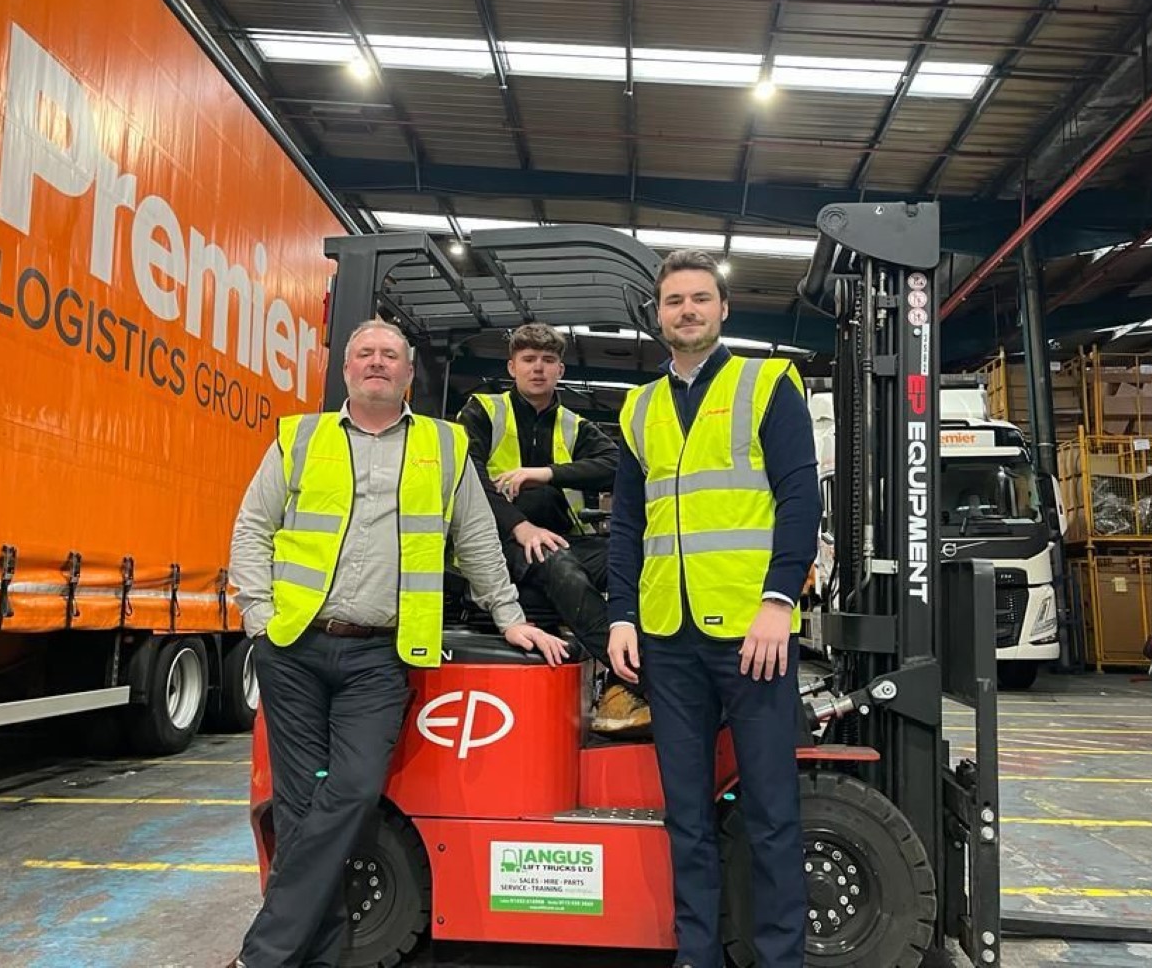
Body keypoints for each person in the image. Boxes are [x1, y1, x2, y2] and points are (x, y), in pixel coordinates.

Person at [227, 319, 569, 968]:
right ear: (348, 370)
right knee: (299, 812)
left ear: (409, 374)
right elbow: (252, 528)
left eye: (390, 355)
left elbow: (475, 539)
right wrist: (259, 616)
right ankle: (317, 959)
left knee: (353, 792)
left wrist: (510, 616)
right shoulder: (301, 438)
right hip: (294, 648)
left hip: (380, 656)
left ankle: (264, 956)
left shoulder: (442, 447)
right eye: (365, 354)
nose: (377, 363)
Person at [607, 250, 820, 968]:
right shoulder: (638, 408)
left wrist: (777, 601)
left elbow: (800, 501)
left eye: (700, 298)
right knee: (688, 816)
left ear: (724, 309)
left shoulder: (767, 385)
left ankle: (779, 957)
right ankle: (695, 955)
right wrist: (620, 615)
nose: (687, 310)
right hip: (668, 638)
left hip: (753, 636)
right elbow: (626, 526)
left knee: (770, 812)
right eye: (674, 301)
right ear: (658, 315)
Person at [458, 322, 650, 735]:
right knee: (560, 566)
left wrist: (545, 473)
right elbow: (466, 479)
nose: (538, 369)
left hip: (562, 538)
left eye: (547, 361)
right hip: (499, 545)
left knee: (636, 558)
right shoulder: (482, 412)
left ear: (560, 369)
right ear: (512, 366)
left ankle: (623, 682)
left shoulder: (574, 425)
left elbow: (617, 466)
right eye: (529, 360)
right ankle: (647, 680)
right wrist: (520, 527)